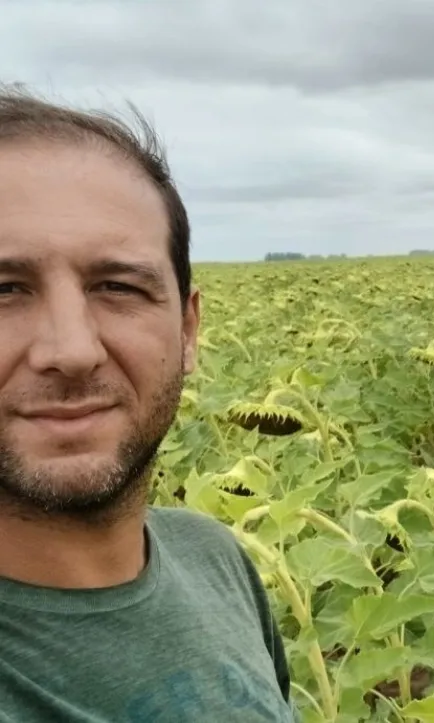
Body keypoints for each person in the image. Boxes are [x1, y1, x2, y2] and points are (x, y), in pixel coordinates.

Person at [0, 85, 296, 722]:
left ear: (187, 331)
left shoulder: (214, 559)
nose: (72, 350)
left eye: (117, 287)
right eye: (3, 290)